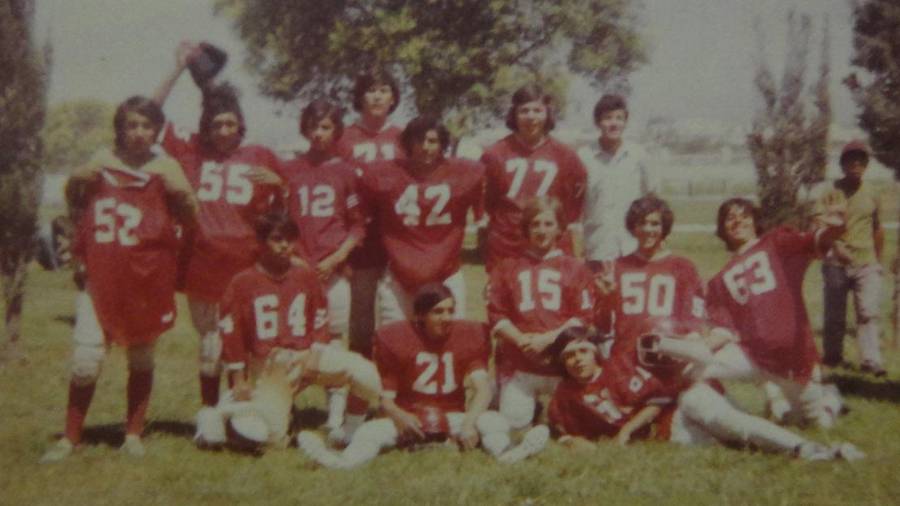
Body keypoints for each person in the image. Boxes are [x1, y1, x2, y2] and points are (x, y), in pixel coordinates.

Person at [41, 96, 196, 462]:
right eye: (131, 126)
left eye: (146, 126)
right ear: (120, 130)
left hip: (147, 276)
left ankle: (133, 433)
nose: (139, 133)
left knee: (141, 356)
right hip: (103, 272)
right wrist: (78, 241)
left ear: (157, 129)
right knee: (85, 357)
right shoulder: (101, 162)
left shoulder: (167, 168)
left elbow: (191, 217)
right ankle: (70, 436)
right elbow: (75, 201)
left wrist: (180, 196)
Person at [154, 42, 285, 408]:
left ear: (241, 124)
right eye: (216, 124)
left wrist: (281, 185)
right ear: (206, 128)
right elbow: (152, 113)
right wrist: (178, 68)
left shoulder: (261, 156)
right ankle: (211, 413)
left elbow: (288, 213)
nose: (224, 130)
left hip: (248, 263)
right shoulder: (193, 152)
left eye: (230, 123)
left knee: (252, 339)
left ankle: (244, 408)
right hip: (204, 263)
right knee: (212, 343)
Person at [296, 284, 549, 468]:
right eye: (438, 312)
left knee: (494, 422)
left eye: (450, 310)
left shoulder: (467, 336)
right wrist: (400, 416)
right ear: (419, 316)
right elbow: (386, 399)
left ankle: (506, 454)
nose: (447, 318)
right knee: (369, 432)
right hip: (410, 417)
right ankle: (342, 462)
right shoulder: (396, 339)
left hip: (451, 415)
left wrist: (470, 422)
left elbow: (482, 388)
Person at [195, 213, 380, 450]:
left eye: (291, 239)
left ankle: (349, 433)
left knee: (367, 375)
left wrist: (315, 350)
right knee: (271, 438)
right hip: (271, 363)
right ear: (260, 243)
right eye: (277, 239)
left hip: (305, 355)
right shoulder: (243, 282)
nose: (285, 245)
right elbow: (233, 335)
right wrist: (239, 380)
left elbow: (320, 319)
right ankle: (221, 414)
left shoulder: (305, 276)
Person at [549, 328, 864, 461]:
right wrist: (573, 443)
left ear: (594, 353)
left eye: (582, 352)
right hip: (668, 436)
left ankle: (808, 447)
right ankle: (818, 416)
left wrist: (628, 430)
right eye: (570, 356)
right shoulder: (566, 394)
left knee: (731, 422)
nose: (577, 360)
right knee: (739, 446)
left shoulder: (617, 365)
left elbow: (657, 399)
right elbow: (564, 434)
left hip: (684, 404)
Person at [703, 197, 848, 428]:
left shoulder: (777, 243)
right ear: (722, 228)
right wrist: (695, 348)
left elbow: (815, 241)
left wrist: (835, 228)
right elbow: (723, 330)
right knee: (697, 369)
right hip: (752, 356)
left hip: (793, 357)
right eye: (730, 218)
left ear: (755, 221)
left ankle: (830, 400)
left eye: (744, 216)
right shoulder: (719, 281)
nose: (737, 222)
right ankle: (740, 419)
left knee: (815, 423)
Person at [282, 98, 366, 438]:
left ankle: (334, 414)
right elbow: (280, 223)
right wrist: (294, 257)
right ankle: (283, 407)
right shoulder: (290, 169)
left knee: (334, 339)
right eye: (314, 126)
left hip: (333, 270)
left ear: (337, 131)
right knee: (290, 338)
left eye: (326, 127)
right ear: (304, 128)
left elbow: (358, 225)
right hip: (296, 266)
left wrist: (337, 257)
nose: (319, 133)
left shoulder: (346, 172)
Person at [359, 116, 484, 324]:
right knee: (397, 342)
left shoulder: (464, 172)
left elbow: (483, 209)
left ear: (443, 144)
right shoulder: (385, 173)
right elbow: (363, 215)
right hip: (400, 273)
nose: (425, 147)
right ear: (408, 143)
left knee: (451, 340)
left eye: (432, 141)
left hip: (447, 272)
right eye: (419, 141)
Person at [487, 197, 595, 429]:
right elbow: (496, 314)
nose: (541, 230)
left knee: (571, 423)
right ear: (526, 228)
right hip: (521, 363)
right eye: (535, 224)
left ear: (559, 228)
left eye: (548, 224)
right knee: (514, 423)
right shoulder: (508, 266)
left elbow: (584, 317)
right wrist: (522, 341)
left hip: (562, 364)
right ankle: (523, 402)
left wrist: (549, 338)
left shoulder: (574, 267)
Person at [480, 84, 586, 272]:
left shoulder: (566, 156)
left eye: (537, 110)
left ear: (548, 114)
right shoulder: (495, 154)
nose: (531, 117)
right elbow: (489, 202)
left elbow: (572, 209)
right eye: (524, 111)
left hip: (550, 244)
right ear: (514, 114)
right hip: (507, 244)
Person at [808, 141, 886, 376]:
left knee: (868, 312)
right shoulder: (830, 191)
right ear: (842, 164)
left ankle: (871, 360)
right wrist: (835, 246)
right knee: (835, 314)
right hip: (835, 262)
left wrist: (877, 261)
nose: (856, 164)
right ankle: (832, 357)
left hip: (866, 263)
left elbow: (878, 229)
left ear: (866, 164)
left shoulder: (873, 192)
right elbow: (817, 225)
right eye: (851, 159)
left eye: (861, 160)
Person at [592, 196, 706, 351]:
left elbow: (692, 319)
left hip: (667, 350)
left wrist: (687, 339)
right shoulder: (617, 266)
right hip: (626, 352)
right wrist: (605, 298)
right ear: (633, 227)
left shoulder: (683, 267)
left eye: (654, 224)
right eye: (641, 223)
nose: (647, 229)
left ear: (664, 227)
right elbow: (602, 326)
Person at [578, 94, 657, 262]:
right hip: (597, 247)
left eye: (619, 118)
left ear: (625, 122)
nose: (614, 123)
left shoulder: (638, 155)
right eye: (607, 118)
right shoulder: (583, 157)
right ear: (598, 122)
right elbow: (576, 205)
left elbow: (652, 199)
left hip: (633, 245)